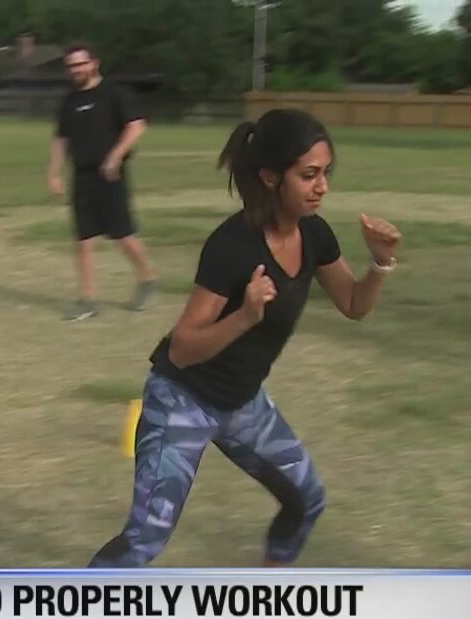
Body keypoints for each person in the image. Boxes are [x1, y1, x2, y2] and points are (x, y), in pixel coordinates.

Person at [88, 109, 402, 568]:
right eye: (308, 175)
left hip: (240, 403)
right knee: (145, 538)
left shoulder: (314, 234)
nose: (322, 187)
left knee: (306, 500)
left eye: (326, 173)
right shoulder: (233, 245)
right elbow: (182, 348)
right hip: (182, 399)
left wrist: (380, 262)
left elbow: (354, 304)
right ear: (271, 177)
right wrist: (244, 317)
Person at [47, 41, 158, 321]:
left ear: (94, 63)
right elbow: (61, 139)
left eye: (81, 63)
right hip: (82, 175)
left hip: (111, 175)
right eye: (71, 66)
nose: (76, 69)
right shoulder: (69, 100)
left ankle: (148, 278)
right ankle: (88, 300)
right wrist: (54, 172)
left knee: (122, 235)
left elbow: (136, 126)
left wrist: (115, 156)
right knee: (83, 239)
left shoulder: (114, 93)